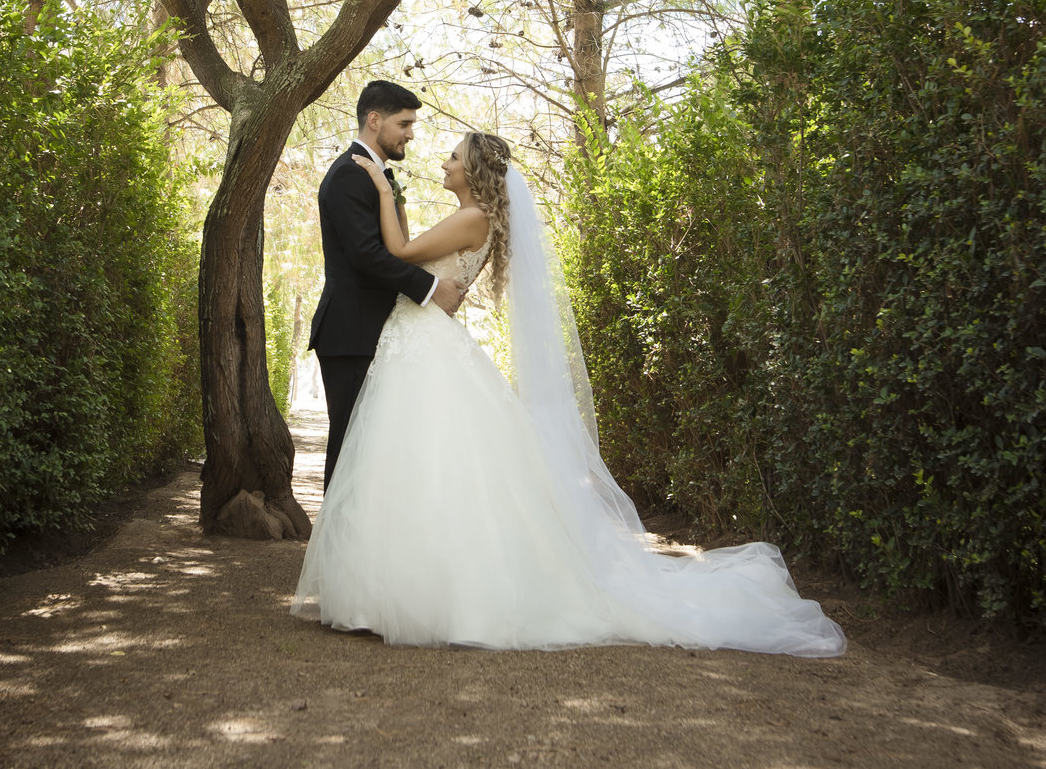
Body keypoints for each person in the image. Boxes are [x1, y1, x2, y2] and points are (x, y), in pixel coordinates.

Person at [293, 130, 846, 657]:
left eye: (454, 157)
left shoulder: (471, 217)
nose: (444, 162)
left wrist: (385, 191)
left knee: (430, 462)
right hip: (421, 339)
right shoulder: (473, 216)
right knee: (419, 464)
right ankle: (397, 586)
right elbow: (414, 253)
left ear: (474, 172)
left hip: (425, 344)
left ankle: (432, 594)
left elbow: (397, 250)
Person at [308, 81, 465, 491]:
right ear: (374, 121)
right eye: (405, 123)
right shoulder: (347, 175)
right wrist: (432, 288)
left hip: (375, 332)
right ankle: (335, 553)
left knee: (374, 449)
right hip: (351, 333)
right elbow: (366, 255)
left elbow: (398, 250)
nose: (411, 133)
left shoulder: (376, 175)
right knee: (349, 448)